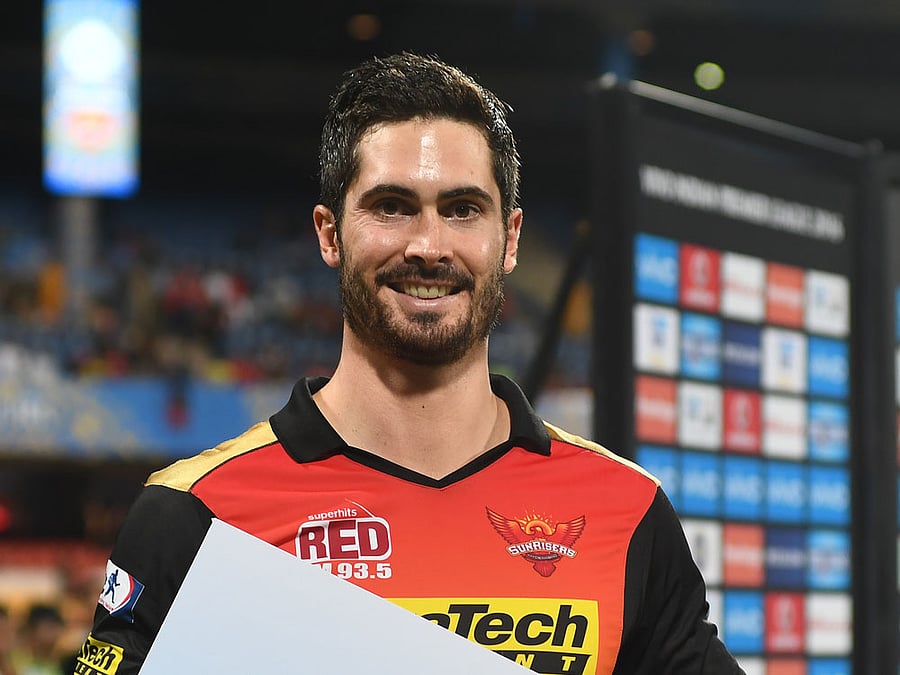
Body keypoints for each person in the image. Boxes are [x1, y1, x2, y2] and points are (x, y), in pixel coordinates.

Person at [74, 52, 744, 674]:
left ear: (509, 238)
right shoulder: (194, 513)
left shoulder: (627, 511)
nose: (429, 245)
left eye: (463, 209)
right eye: (392, 207)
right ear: (330, 234)